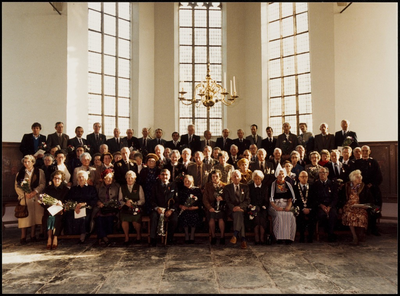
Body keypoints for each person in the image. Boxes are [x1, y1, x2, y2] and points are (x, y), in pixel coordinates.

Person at [15, 155, 46, 244]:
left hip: (35, 197)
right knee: (24, 217)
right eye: (25, 162)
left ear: (33, 162)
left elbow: (42, 184)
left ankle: (33, 235)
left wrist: (35, 192)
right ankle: (23, 237)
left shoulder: (39, 172)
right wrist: (24, 194)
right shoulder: (20, 173)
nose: (27, 163)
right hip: (25, 198)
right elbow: (17, 186)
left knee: (34, 217)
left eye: (29, 161)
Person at [355, 145, 383, 236]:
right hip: (361, 189)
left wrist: (371, 184)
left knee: (375, 207)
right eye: (363, 151)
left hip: (373, 189)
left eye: (366, 151)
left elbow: (379, 176)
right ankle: (364, 228)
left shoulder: (374, 162)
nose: (364, 152)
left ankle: (373, 228)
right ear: (361, 152)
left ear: (369, 152)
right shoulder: (357, 162)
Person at [65, 170, 98, 244]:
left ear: (86, 179)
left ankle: (83, 235)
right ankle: (72, 235)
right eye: (79, 177)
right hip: (75, 208)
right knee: (69, 216)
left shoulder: (91, 188)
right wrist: (74, 206)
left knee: (83, 218)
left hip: (87, 207)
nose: (81, 179)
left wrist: (84, 204)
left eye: (82, 177)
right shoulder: (73, 189)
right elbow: (69, 199)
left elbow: (95, 199)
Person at [342, 170, 374, 245]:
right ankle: (355, 236)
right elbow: (342, 197)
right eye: (358, 177)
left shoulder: (364, 186)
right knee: (349, 215)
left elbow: (370, 199)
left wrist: (365, 205)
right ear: (353, 178)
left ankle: (361, 234)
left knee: (362, 216)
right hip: (348, 206)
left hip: (360, 206)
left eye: (360, 177)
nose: (360, 179)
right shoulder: (346, 186)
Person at [150, 169, 179, 246]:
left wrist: (171, 210)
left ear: (169, 176)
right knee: (153, 217)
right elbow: (151, 200)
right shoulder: (155, 186)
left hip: (169, 209)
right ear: (160, 176)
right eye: (163, 174)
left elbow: (177, 201)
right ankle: (153, 239)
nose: (164, 176)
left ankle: (169, 239)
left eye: (166, 175)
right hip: (158, 209)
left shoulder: (174, 185)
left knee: (174, 219)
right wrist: (157, 208)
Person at [268, 166, 296, 244]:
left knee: (291, 215)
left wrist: (288, 206)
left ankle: (289, 238)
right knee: (278, 215)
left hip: (286, 204)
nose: (281, 176)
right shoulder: (272, 185)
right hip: (275, 205)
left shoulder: (288, 184)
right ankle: (279, 238)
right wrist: (276, 207)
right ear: (276, 175)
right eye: (279, 174)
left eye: (282, 174)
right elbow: (271, 199)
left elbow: (291, 198)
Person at [42, 170, 70, 249]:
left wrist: (62, 205)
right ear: (52, 179)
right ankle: (49, 238)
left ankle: (55, 237)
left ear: (61, 180)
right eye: (55, 178)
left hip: (61, 211)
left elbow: (68, 202)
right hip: (49, 210)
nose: (57, 180)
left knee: (58, 218)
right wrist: (50, 207)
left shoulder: (65, 190)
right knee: (49, 218)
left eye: (59, 178)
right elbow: (42, 202)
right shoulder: (47, 189)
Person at [223, 170, 250, 249]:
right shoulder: (227, 188)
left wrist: (240, 207)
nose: (236, 178)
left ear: (240, 177)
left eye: (238, 176)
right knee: (239, 214)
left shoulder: (245, 187)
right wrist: (233, 208)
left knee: (239, 214)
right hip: (231, 210)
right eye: (234, 176)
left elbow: (247, 200)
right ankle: (243, 239)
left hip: (242, 209)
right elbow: (227, 201)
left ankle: (235, 235)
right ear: (231, 178)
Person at [310, 167, 338, 242]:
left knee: (333, 214)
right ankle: (325, 232)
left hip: (330, 205)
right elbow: (313, 198)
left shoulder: (332, 184)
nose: (322, 174)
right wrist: (321, 205)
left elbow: (335, 198)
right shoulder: (315, 185)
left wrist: (330, 206)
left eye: (324, 173)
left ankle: (331, 234)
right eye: (320, 173)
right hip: (320, 206)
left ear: (327, 174)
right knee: (321, 215)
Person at [118, 170, 145, 245]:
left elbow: (142, 200)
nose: (130, 179)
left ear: (135, 179)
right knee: (123, 218)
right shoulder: (122, 187)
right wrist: (125, 204)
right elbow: (119, 200)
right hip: (126, 208)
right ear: (126, 179)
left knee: (135, 217)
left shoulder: (139, 187)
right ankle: (127, 238)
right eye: (128, 178)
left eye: (131, 178)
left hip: (136, 208)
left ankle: (138, 236)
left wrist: (134, 203)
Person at [95, 169, 120, 246]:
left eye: (111, 178)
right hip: (101, 208)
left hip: (112, 208)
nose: (109, 180)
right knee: (99, 219)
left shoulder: (116, 186)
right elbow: (95, 197)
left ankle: (103, 238)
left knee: (110, 219)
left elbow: (119, 198)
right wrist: (98, 202)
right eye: (108, 178)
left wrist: (114, 203)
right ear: (104, 179)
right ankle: (105, 239)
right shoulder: (98, 186)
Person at [202, 169, 227, 245]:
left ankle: (222, 236)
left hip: (222, 207)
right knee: (211, 217)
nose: (215, 178)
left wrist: (223, 198)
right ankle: (213, 236)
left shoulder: (224, 186)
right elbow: (205, 199)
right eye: (213, 176)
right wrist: (209, 207)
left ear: (220, 177)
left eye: (216, 176)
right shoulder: (208, 185)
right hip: (211, 206)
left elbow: (228, 197)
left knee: (221, 218)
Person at [178, 174, 202, 244]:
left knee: (194, 215)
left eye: (188, 181)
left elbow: (200, 203)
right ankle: (186, 235)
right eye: (185, 181)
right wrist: (182, 206)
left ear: (192, 181)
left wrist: (194, 207)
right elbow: (178, 202)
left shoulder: (197, 190)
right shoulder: (181, 190)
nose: (187, 182)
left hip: (195, 209)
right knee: (185, 215)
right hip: (184, 209)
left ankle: (192, 235)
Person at [294, 171, 317, 243]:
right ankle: (302, 236)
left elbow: (315, 199)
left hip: (310, 209)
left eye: (306, 177)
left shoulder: (312, 187)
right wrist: (302, 209)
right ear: (299, 178)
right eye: (302, 177)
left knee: (313, 216)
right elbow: (294, 201)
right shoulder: (295, 188)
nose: (304, 178)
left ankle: (310, 236)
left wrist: (309, 209)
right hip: (300, 209)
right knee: (300, 217)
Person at [248, 170, 269, 245]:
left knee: (262, 217)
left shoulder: (265, 187)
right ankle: (257, 237)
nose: (257, 180)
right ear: (253, 179)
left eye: (259, 179)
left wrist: (264, 206)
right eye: (256, 179)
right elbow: (248, 198)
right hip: (253, 207)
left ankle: (262, 238)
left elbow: (266, 200)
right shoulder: (250, 187)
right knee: (256, 217)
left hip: (262, 208)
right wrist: (251, 205)